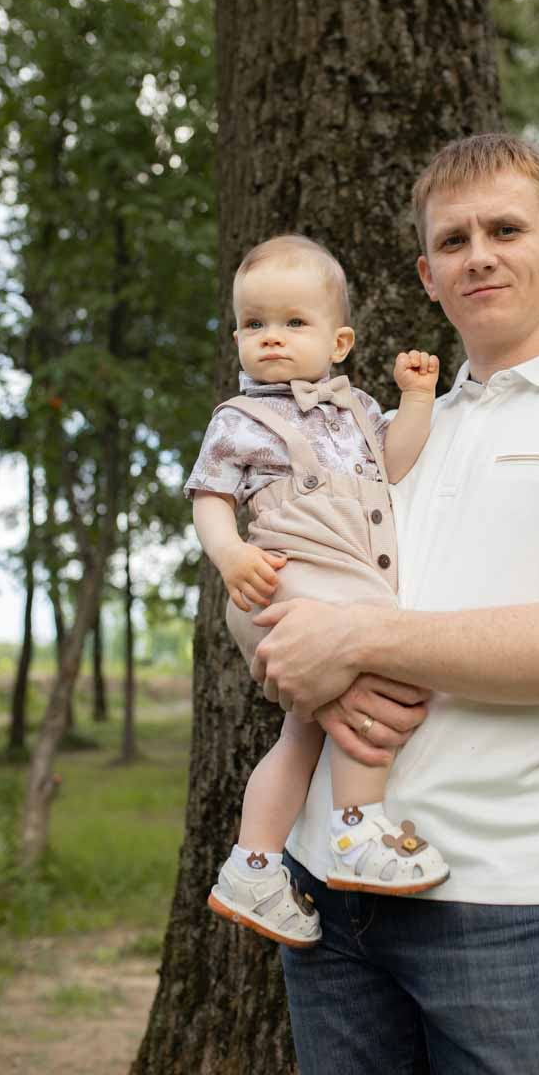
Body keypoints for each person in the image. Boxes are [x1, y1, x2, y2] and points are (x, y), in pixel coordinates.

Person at [249, 134, 539, 1075]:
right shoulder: (369, 433)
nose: (480, 254)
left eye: (506, 229)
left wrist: (356, 636)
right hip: (326, 889)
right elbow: (262, 586)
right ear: (427, 274)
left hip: (503, 898)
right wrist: (313, 672)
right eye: (453, 241)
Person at [184, 233, 450, 950]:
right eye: (254, 323)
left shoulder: (360, 409)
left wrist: (416, 399)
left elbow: (395, 464)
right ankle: (357, 829)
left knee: (303, 730)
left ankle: (255, 865)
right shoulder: (241, 419)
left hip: (343, 566)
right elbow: (209, 495)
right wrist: (230, 551)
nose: (271, 337)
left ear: (338, 341)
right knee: (387, 661)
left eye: (293, 322)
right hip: (289, 568)